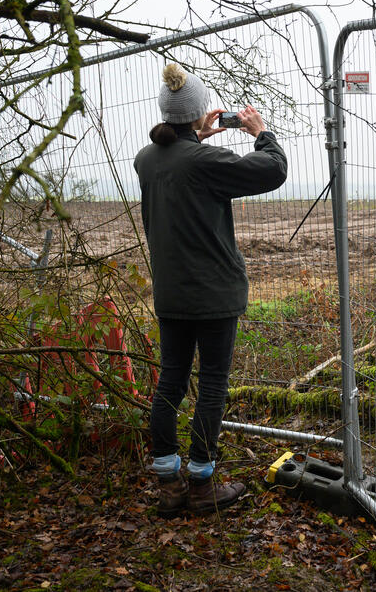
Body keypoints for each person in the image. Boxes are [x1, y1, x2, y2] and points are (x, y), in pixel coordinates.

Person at [135, 63, 287, 517]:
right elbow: (273, 170)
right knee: (213, 384)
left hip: (171, 295)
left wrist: (196, 135)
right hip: (215, 295)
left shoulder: (147, 159)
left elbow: (177, 155)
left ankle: (169, 483)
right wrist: (260, 131)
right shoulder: (207, 163)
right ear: (200, 113)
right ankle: (201, 482)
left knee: (171, 382)